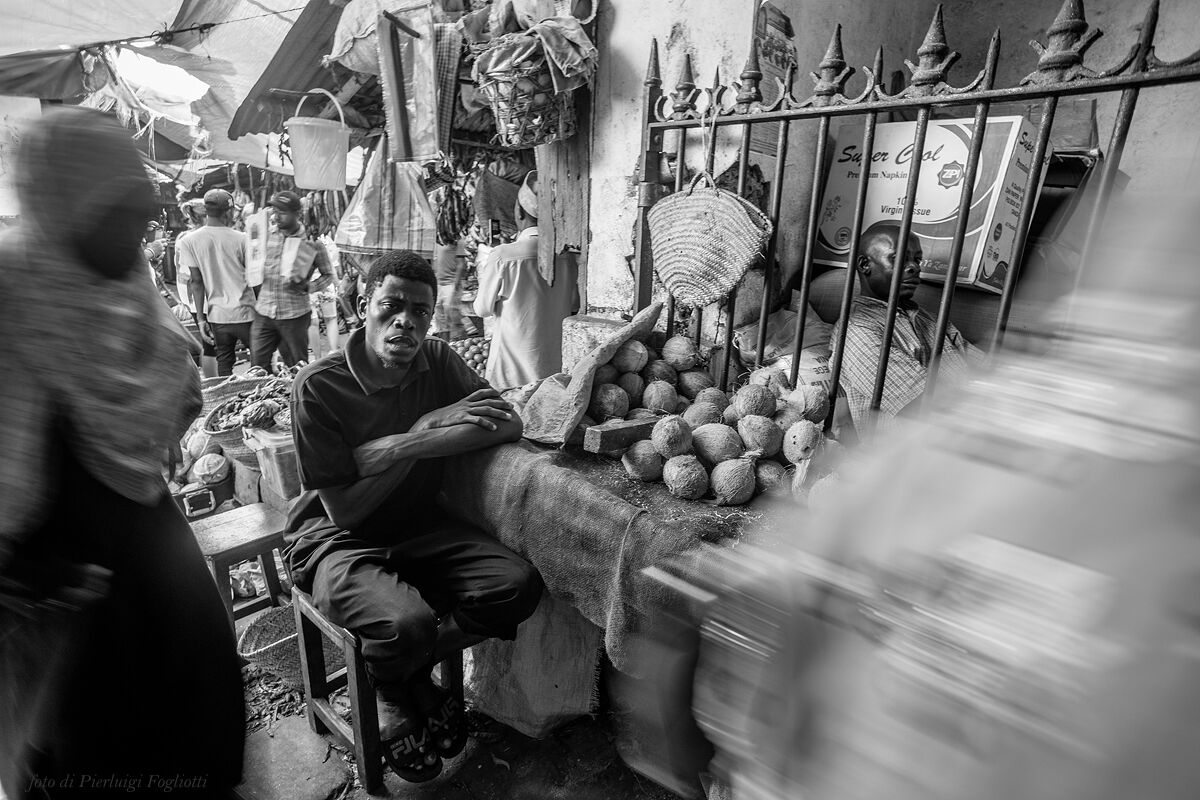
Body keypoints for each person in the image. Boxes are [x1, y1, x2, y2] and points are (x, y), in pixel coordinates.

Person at [0, 107, 244, 799]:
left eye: (141, 212)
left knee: (201, 734)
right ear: (58, 201)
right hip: (61, 605)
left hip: (150, 550)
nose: (134, 234)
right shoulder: (13, 294)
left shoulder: (125, 277)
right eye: (115, 212)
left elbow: (174, 371)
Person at [285, 250, 543, 782]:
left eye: (420, 312)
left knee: (516, 586)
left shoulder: (438, 359)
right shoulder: (318, 385)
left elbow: (507, 424)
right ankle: (401, 683)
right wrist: (423, 432)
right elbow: (348, 508)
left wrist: (406, 442)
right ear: (364, 306)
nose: (406, 320)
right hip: (336, 539)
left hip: (419, 525)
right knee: (405, 623)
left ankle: (402, 675)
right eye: (391, 306)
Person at [834, 220, 983, 434]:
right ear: (865, 265)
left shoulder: (926, 318)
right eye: (898, 259)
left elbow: (984, 365)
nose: (914, 267)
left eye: (917, 259)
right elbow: (923, 406)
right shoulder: (858, 330)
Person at [473, 170, 579, 389]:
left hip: (510, 373)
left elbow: (482, 309)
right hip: (553, 370)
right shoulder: (567, 258)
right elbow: (573, 306)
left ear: (519, 213)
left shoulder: (503, 255)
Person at [177, 189, 256, 377]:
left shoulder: (189, 241)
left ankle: (225, 396)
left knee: (225, 362)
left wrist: (201, 319)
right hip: (246, 312)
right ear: (228, 212)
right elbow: (254, 279)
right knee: (259, 362)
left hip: (217, 316)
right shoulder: (242, 238)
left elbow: (196, 282)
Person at [252, 190, 334, 370]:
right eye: (275, 211)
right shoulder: (268, 235)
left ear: (296, 214)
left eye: (282, 212)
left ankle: (296, 397)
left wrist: (309, 287)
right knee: (257, 366)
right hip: (264, 311)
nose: (276, 216)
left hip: (294, 315)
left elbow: (329, 275)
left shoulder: (311, 242)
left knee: (297, 367)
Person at [173, 198, 219, 377]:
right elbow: (197, 276)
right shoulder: (198, 238)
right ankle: (214, 381)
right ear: (205, 216)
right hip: (201, 297)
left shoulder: (182, 237)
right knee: (211, 343)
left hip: (190, 297)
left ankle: (211, 380)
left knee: (209, 342)